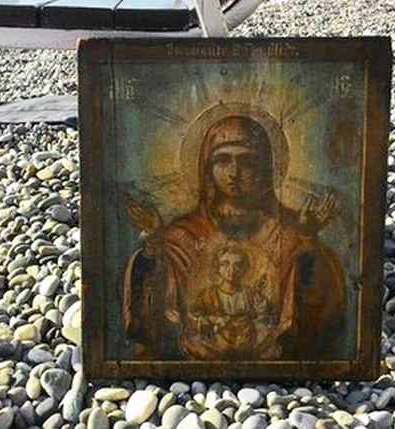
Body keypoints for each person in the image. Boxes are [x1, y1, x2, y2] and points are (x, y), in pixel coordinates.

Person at [123, 115, 346, 360]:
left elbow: (320, 317)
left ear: (264, 168)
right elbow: (149, 322)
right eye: (222, 160)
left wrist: (308, 239)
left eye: (247, 161)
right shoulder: (181, 235)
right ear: (207, 168)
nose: (234, 172)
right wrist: (154, 242)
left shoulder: (290, 233)